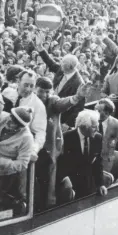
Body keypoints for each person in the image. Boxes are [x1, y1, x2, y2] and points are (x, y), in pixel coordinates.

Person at [34, 77, 91, 210]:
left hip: (50, 149)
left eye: (48, 92)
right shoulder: (29, 100)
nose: (45, 95)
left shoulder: (52, 101)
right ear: (35, 89)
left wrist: (77, 97)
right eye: (42, 91)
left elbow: (63, 103)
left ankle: (47, 206)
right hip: (32, 147)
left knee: (48, 180)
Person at [57, 109, 107, 203]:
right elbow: (59, 162)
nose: (97, 129)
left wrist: (101, 184)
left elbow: (98, 163)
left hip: (89, 184)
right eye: (93, 127)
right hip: (70, 185)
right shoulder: (66, 138)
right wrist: (64, 177)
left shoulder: (97, 138)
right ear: (83, 126)